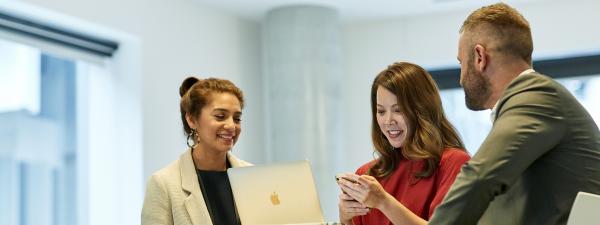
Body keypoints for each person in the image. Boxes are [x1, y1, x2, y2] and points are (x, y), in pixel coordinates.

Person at [428, 3, 600, 225]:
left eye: (462, 63)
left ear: (480, 57)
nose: (461, 78)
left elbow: (480, 178)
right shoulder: (529, 103)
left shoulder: (537, 96)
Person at [337, 62, 471, 225]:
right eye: (381, 111)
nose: (388, 121)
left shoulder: (454, 164)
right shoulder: (367, 174)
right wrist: (345, 218)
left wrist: (384, 202)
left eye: (398, 110)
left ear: (422, 109)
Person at [141, 77, 251, 225]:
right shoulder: (163, 184)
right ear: (192, 120)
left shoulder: (252, 175)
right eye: (220, 116)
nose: (232, 126)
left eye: (237, 119)